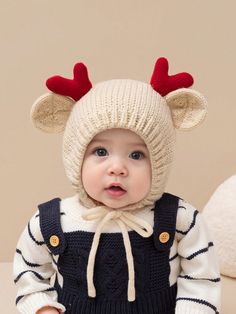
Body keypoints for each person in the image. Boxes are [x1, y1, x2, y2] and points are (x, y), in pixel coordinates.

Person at [13, 57, 221, 314]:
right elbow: (29, 271)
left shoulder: (180, 219)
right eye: (100, 151)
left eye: (136, 155)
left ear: (160, 163)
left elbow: (201, 278)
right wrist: (42, 307)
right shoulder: (52, 221)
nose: (117, 168)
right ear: (75, 158)